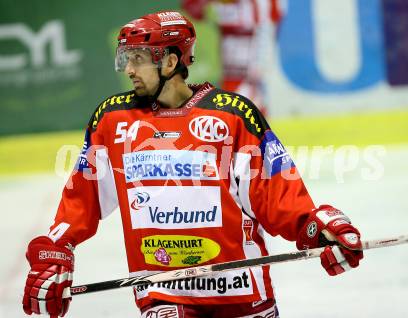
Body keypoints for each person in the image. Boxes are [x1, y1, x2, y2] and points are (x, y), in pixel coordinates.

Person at [22, 11, 363, 318]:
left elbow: (274, 193)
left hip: (241, 292)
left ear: (170, 62)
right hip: (163, 292)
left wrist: (313, 227)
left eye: (138, 59)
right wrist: (56, 247)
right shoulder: (113, 120)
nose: (128, 69)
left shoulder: (231, 115)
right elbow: (83, 195)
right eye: (126, 58)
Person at [182, 0, 285, 115]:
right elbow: (192, 9)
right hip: (229, 67)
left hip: (250, 66)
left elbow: (268, 29)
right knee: (231, 106)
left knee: (248, 106)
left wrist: (261, 63)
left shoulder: (262, 5)